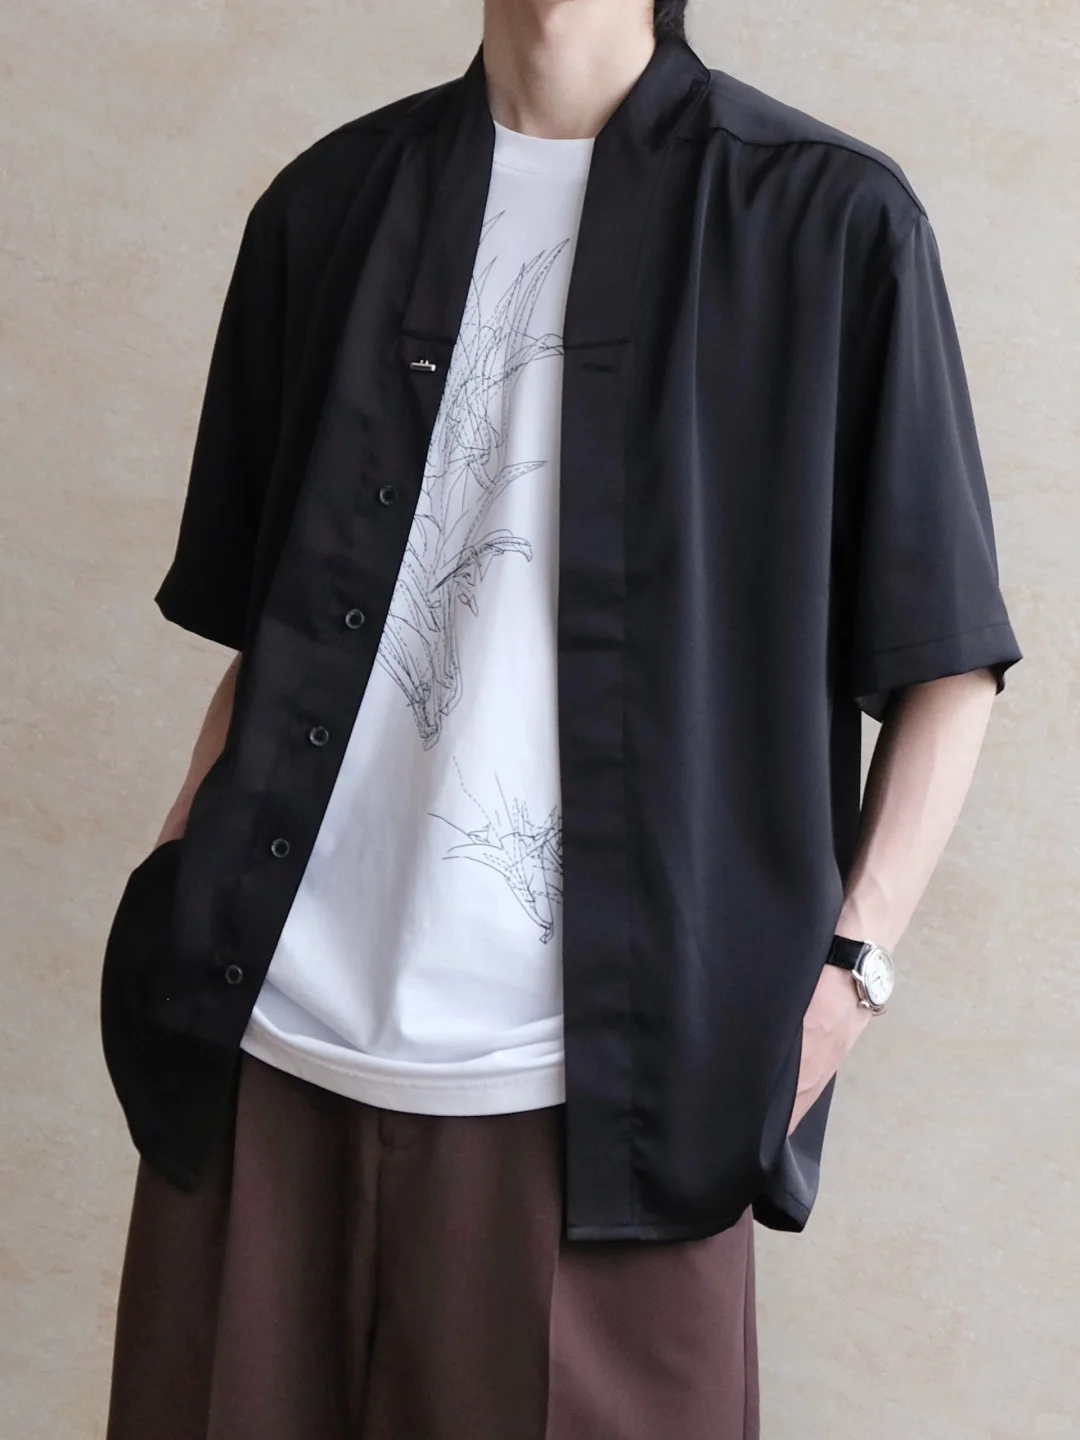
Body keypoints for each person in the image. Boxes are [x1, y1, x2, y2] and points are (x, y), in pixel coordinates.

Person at [100, 0, 1022, 1436]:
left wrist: (846, 984)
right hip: (261, 1066)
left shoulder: (829, 223)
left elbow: (945, 664)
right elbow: (271, 631)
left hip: (608, 1115)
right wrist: (179, 878)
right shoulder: (325, 205)